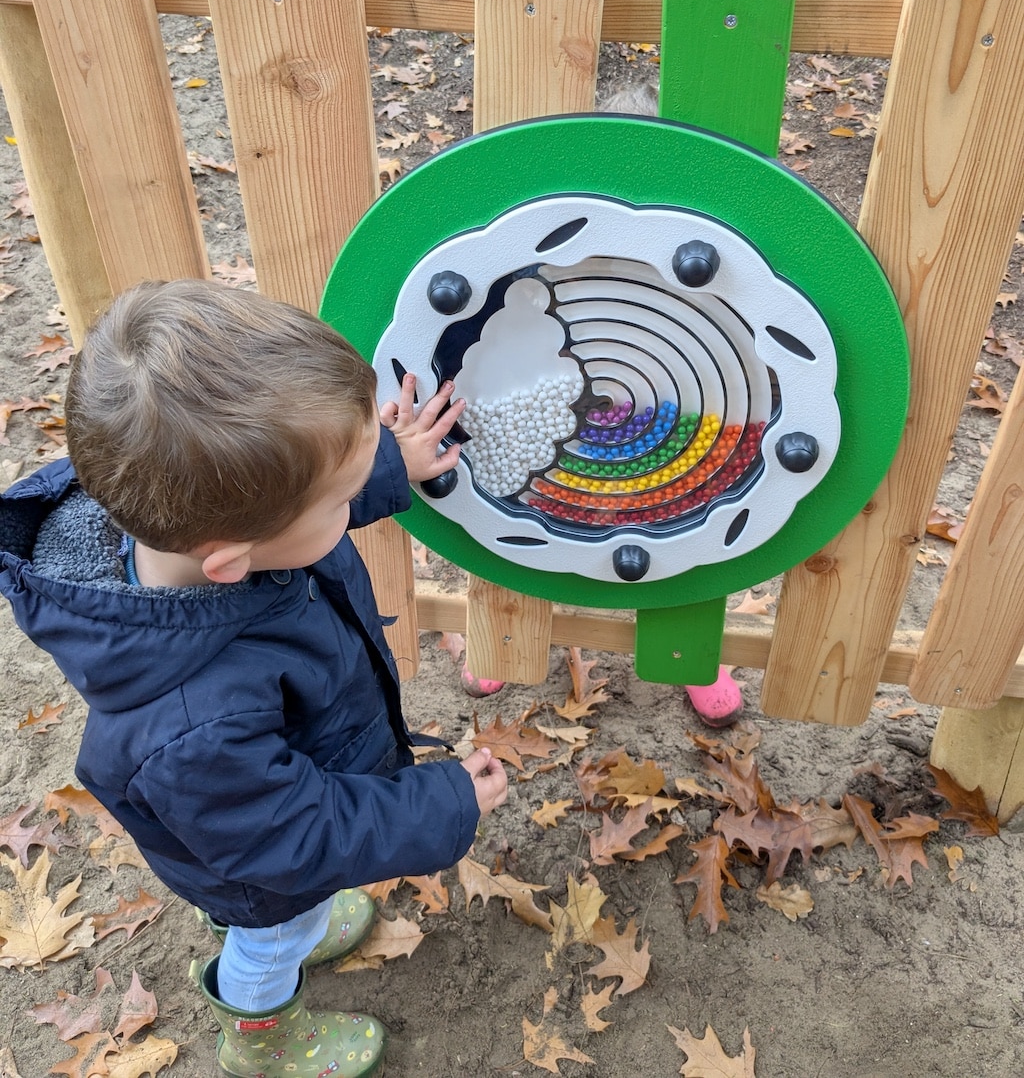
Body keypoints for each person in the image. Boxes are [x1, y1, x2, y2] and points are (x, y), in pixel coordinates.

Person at [0, 279, 507, 1078]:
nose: (351, 499)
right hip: (260, 872)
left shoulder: (178, 513)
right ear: (231, 562)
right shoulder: (191, 728)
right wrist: (441, 802)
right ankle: (259, 1037)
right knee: (274, 936)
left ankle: (297, 927)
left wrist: (384, 464)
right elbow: (295, 836)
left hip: (253, 819)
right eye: (344, 496)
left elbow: (294, 502)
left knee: (299, 903)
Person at [462, 79, 743, 728]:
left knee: (682, 514)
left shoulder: (707, 264)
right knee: (519, 506)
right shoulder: (542, 253)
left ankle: (689, 642)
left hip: (676, 411)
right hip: (555, 413)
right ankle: (501, 628)